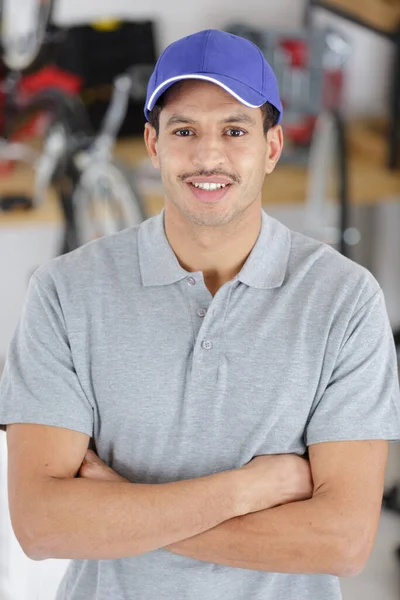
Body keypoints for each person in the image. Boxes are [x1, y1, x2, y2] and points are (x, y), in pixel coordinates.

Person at [0, 28, 399, 600]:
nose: (208, 156)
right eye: (184, 130)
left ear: (271, 147)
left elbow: (342, 541)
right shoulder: (65, 292)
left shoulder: (345, 301)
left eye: (234, 130)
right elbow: (42, 526)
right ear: (154, 144)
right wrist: (247, 489)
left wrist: (122, 511)